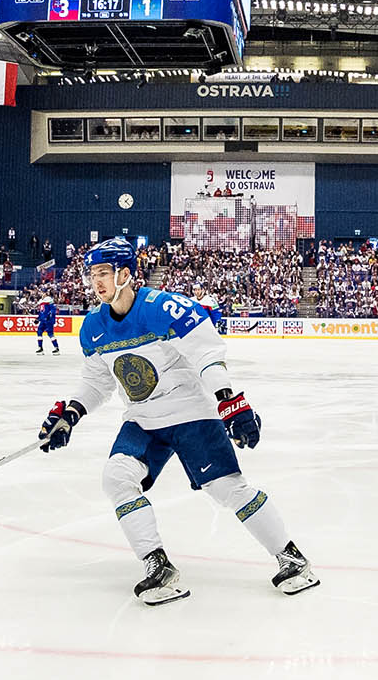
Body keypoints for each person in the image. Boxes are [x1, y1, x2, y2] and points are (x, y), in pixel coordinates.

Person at [35, 238, 317, 605]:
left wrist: (229, 402)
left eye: (103, 273)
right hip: (142, 419)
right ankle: (158, 567)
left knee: (226, 489)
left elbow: (207, 355)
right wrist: (70, 413)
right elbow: (97, 382)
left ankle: (291, 558)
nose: (96, 282)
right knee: (117, 477)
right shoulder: (93, 328)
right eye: (92, 275)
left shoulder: (164, 308)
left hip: (191, 414)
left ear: (125, 274)